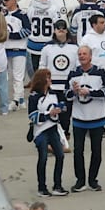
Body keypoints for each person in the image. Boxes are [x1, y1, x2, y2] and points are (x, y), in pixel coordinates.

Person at [66, 44, 105, 192]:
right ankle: (80, 181)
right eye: (80, 54)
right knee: (78, 151)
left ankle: (93, 180)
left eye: (84, 54)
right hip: (79, 119)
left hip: (97, 118)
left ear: (90, 56)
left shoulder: (100, 72)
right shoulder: (73, 73)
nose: (82, 56)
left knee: (96, 151)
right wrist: (74, 92)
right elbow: (66, 95)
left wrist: (91, 92)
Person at [27, 68, 69, 197]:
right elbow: (32, 116)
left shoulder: (54, 93)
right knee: (43, 158)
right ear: (42, 80)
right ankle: (42, 187)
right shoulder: (34, 96)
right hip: (41, 131)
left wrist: (60, 109)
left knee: (60, 155)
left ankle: (57, 185)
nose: (50, 80)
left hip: (53, 129)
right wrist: (48, 114)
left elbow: (63, 106)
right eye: (48, 78)